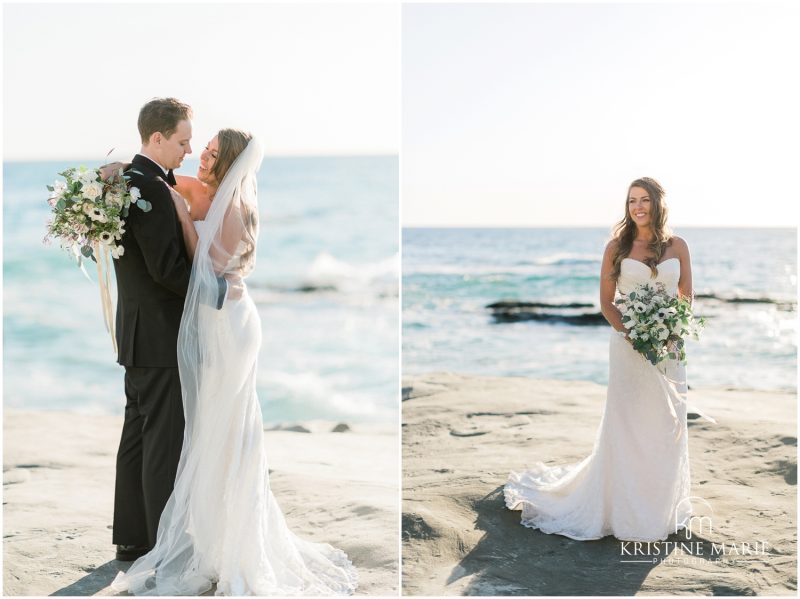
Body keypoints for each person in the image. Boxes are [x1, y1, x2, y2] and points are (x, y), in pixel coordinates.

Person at [111, 129, 358, 595]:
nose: (200, 158)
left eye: (211, 155)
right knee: (205, 426)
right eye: (201, 150)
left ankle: (227, 538)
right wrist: (116, 171)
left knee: (226, 427)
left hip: (229, 322)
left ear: (229, 163)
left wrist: (183, 220)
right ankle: (198, 529)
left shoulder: (237, 208)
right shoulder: (198, 189)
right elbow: (150, 176)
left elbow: (207, 272)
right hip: (207, 320)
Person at [504, 177, 696, 541]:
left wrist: (672, 332)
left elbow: (686, 296)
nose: (638, 207)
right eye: (632, 201)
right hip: (628, 348)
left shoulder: (679, 246)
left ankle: (659, 508)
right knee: (627, 424)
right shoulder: (616, 247)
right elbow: (607, 303)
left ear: (658, 204)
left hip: (670, 348)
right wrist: (633, 335)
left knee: (666, 424)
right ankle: (623, 508)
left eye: (644, 200)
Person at [110, 98, 195, 562]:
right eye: (182, 141)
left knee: (137, 435)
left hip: (134, 331)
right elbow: (167, 270)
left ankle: (132, 538)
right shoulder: (152, 189)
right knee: (162, 440)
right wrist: (211, 293)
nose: (188, 150)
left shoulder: (123, 181)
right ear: (157, 137)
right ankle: (160, 545)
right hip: (161, 335)